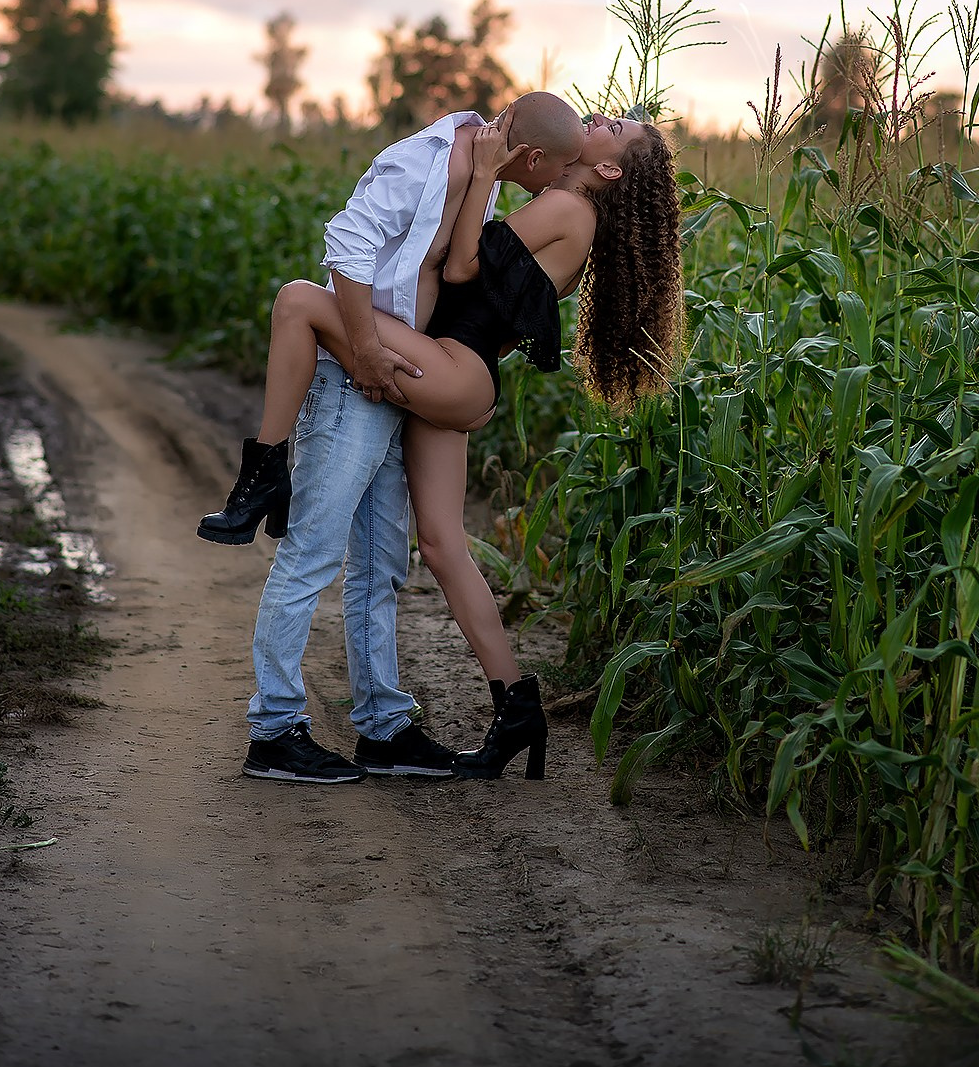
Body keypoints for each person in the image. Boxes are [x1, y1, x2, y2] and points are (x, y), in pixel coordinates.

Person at [226, 109, 684, 781]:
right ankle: (516, 706)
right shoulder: (579, 220)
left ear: (610, 168)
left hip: (451, 367)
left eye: (614, 127)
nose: (601, 116)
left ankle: (263, 468)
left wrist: (487, 174)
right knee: (442, 547)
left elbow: (465, 267)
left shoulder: (565, 207)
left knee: (301, 301)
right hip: (462, 378)